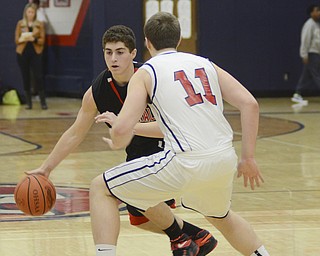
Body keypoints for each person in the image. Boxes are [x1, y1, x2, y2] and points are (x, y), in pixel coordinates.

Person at [89, 12, 270, 256]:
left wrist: (117, 135)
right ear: (179, 39)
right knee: (221, 215)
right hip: (223, 159)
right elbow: (250, 104)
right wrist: (248, 158)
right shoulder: (206, 64)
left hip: (184, 161)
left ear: (147, 43)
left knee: (101, 187)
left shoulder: (145, 72)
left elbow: (122, 129)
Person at [26, 25, 216, 255]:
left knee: (107, 189)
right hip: (137, 155)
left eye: (119, 52)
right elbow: (76, 132)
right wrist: (46, 168)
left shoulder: (151, 79)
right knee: (140, 219)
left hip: (170, 153)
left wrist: (126, 125)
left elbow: (172, 128)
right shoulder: (97, 90)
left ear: (133, 53)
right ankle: (196, 236)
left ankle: (179, 240)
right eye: (108, 52)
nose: (113, 58)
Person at [15, 3, 47, 109]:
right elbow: (16, 40)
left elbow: (42, 40)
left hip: (35, 52)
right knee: (26, 76)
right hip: (23, 53)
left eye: (32, 12)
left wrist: (34, 39)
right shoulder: (20, 24)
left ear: (35, 13)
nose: (30, 14)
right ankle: (29, 103)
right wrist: (23, 38)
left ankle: (43, 102)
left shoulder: (39, 24)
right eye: (28, 12)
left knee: (38, 76)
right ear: (25, 13)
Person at [292, 4, 320, 104]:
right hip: (312, 53)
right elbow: (305, 40)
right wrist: (304, 54)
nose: (319, 13)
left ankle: (297, 93)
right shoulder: (309, 24)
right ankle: (297, 93)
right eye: (317, 10)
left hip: (317, 53)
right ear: (312, 13)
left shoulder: (317, 24)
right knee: (315, 74)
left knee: (307, 74)